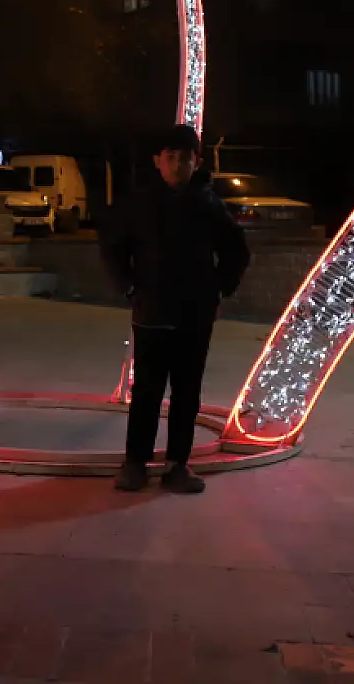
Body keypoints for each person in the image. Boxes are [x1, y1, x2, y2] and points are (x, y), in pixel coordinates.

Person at [100, 125, 250, 494]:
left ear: (196, 161)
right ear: (158, 161)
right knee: (147, 392)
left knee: (187, 392)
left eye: (185, 158)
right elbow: (113, 248)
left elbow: (236, 251)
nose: (178, 164)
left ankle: (177, 464)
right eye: (171, 157)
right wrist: (129, 287)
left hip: (194, 315)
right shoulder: (139, 203)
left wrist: (218, 289)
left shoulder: (209, 206)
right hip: (151, 312)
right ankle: (135, 463)